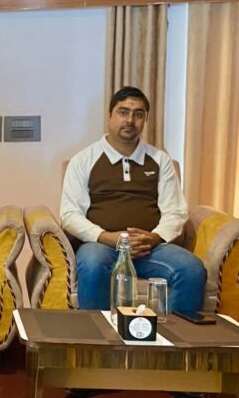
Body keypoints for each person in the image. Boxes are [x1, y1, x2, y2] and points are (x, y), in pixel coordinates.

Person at [60, 86, 206, 313]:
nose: (130, 120)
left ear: (145, 120)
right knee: (92, 264)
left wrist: (154, 238)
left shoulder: (160, 160)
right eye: (123, 112)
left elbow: (175, 211)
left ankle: (172, 335)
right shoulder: (83, 160)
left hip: (149, 249)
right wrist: (107, 237)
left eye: (138, 114)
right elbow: (69, 214)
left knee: (191, 269)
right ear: (109, 116)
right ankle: (98, 335)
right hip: (101, 247)